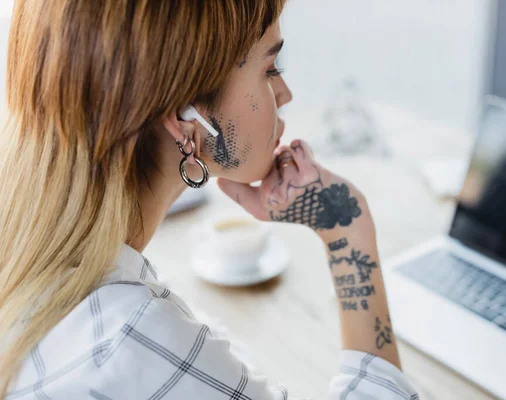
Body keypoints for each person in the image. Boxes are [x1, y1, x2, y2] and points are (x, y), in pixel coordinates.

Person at [0, 1, 419, 399]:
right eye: (270, 68)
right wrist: (347, 225)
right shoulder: (129, 339)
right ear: (184, 120)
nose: (285, 92)